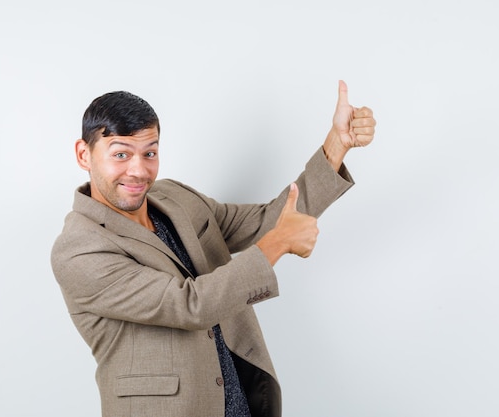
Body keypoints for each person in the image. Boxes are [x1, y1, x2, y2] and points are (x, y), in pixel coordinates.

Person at [51, 81, 375, 417]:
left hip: (243, 403)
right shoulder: (78, 250)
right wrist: (277, 244)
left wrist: (336, 145)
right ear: (83, 154)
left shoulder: (176, 198)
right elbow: (190, 305)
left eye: (150, 153)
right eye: (121, 154)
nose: (138, 170)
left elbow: (271, 220)